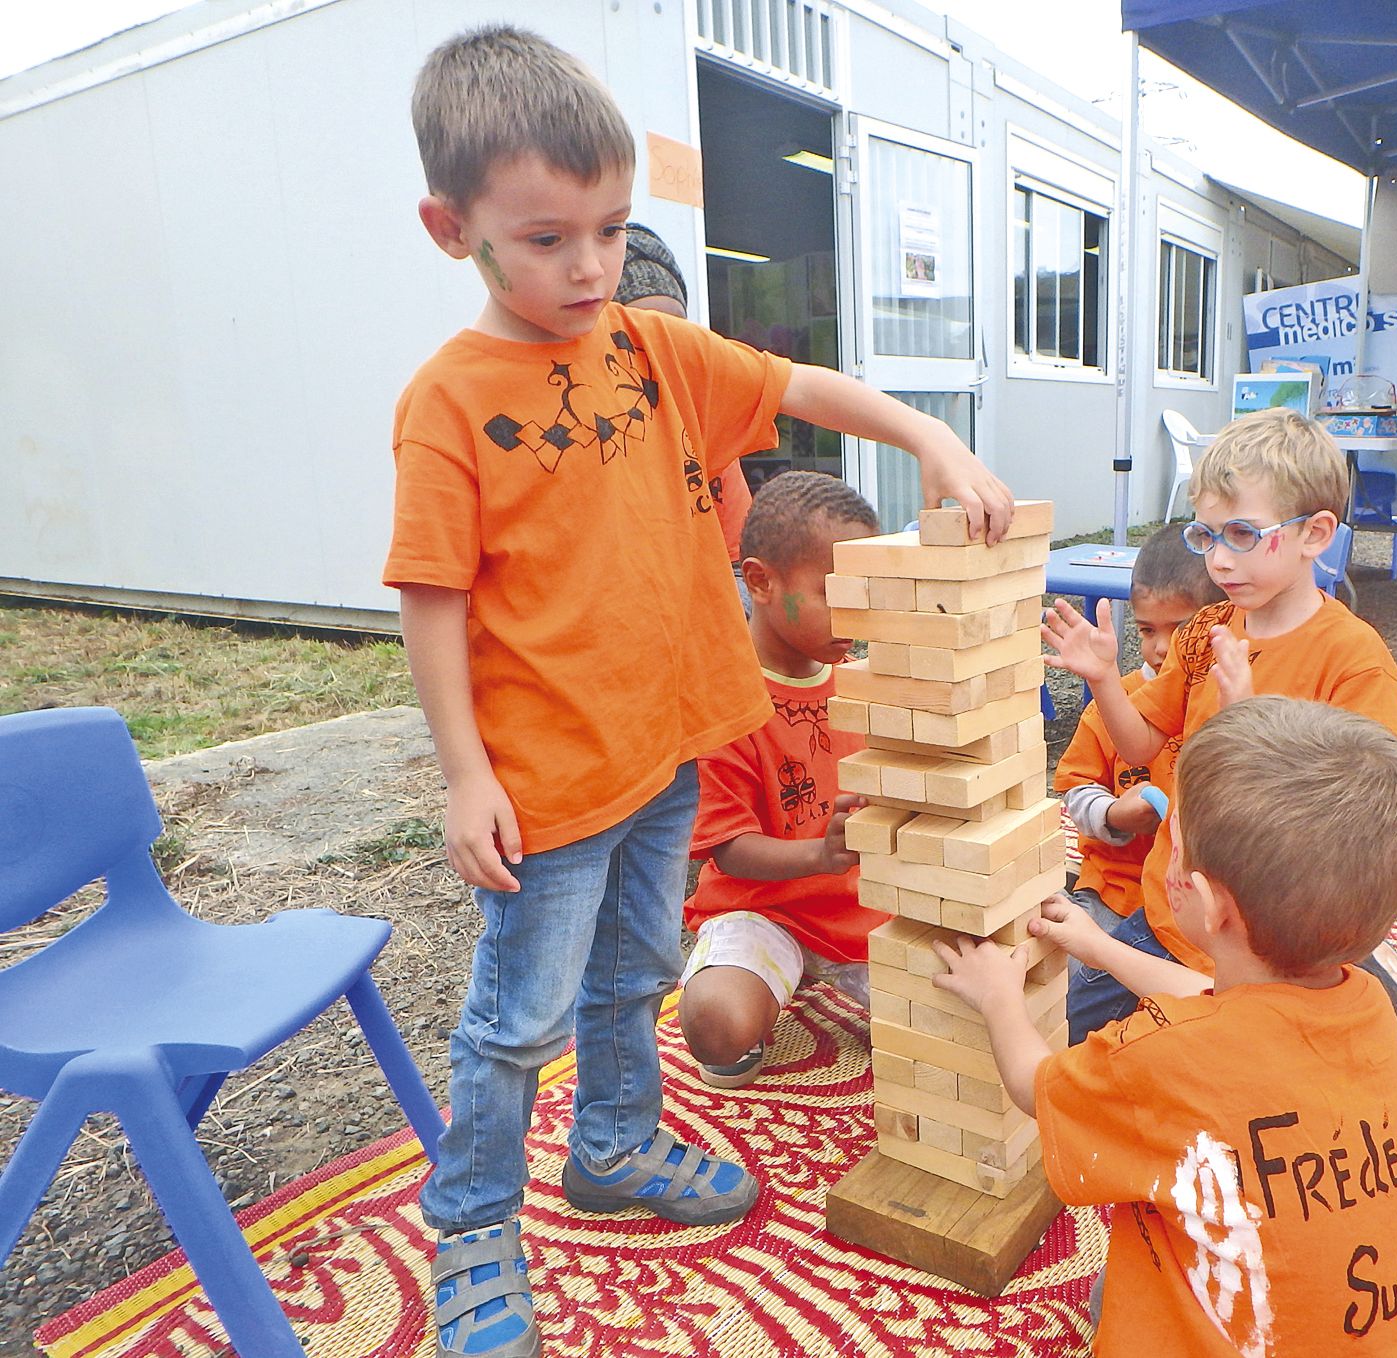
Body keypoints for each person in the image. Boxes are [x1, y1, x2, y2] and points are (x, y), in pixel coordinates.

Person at [385, 27, 1014, 1358]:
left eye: (610, 229)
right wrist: (465, 773)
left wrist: (928, 433)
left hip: (666, 751)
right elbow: (431, 594)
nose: (590, 265)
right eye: (547, 237)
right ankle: (474, 1222)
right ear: (454, 229)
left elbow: (799, 384)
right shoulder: (445, 403)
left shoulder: (655, 354)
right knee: (516, 1021)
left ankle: (612, 1143)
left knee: (635, 977)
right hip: (548, 786)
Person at [933, 697, 1397, 1357]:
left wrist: (999, 997)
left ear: (1203, 904)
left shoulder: (1159, 1057)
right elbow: (1224, 1005)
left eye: (1170, 845)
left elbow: (1036, 1088)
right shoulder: (1373, 1010)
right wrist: (1103, 949)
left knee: (1125, 1291)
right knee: (1116, 1287)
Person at [1042, 407, 1397, 1097]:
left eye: (1241, 534)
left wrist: (1246, 723)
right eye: (1207, 535)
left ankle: (1382, 1004)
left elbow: (1356, 835)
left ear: (1313, 534)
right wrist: (1104, 679)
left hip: (1276, 934)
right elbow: (1141, 743)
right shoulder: (1206, 630)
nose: (1219, 560)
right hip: (1178, 911)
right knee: (1068, 1037)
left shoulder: (1353, 662)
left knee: (1362, 1081)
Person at [678, 472, 886, 1088]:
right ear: (761, 581)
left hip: (867, 912)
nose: (856, 612)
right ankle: (761, 984)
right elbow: (729, 850)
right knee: (717, 1024)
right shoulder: (723, 701)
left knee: (955, 1019)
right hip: (765, 910)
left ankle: (846, 984)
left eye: (865, 591)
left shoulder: (868, 681)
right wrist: (820, 854)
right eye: (833, 592)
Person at [1053, 524, 1220, 956]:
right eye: (1147, 631)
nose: (1162, 647)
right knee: (1069, 980)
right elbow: (1074, 789)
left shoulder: (1227, 703)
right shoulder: (1114, 702)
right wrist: (1113, 815)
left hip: (1201, 907)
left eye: (1181, 629)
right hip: (1116, 892)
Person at [612, 223, 754, 569]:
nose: (666, 345)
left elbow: (742, 565)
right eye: (644, 331)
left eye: (676, 327)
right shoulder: (590, 439)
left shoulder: (707, 431)